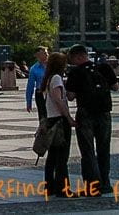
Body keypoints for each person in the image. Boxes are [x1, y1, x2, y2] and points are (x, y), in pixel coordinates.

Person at [66, 44, 118, 197]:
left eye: (73, 58)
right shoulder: (104, 68)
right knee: (104, 149)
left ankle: (92, 187)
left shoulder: (75, 72)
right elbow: (116, 87)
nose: (72, 62)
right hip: (104, 113)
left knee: (88, 151)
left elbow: (70, 96)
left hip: (86, 113)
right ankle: (105, 184)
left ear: (78, 57)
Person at [42, 51, 77, 198]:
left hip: (51, 118)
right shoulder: (56, 79)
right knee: (62, 156)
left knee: (52, 156)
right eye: (64, 63)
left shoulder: (48, 78)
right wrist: (68, 117)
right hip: (58, 120)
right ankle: (63, 188)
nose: (66, 66)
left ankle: (49, 186)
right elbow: (58, 100)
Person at [25, 46, 49, 122]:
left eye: (47, 53)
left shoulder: (52, 65)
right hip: (40, 93)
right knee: (43, 115)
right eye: (44, 53)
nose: (47, 55)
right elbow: (30, 86)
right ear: (37, 55)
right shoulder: (34, 69)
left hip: (52, 92)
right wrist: (29, 102)